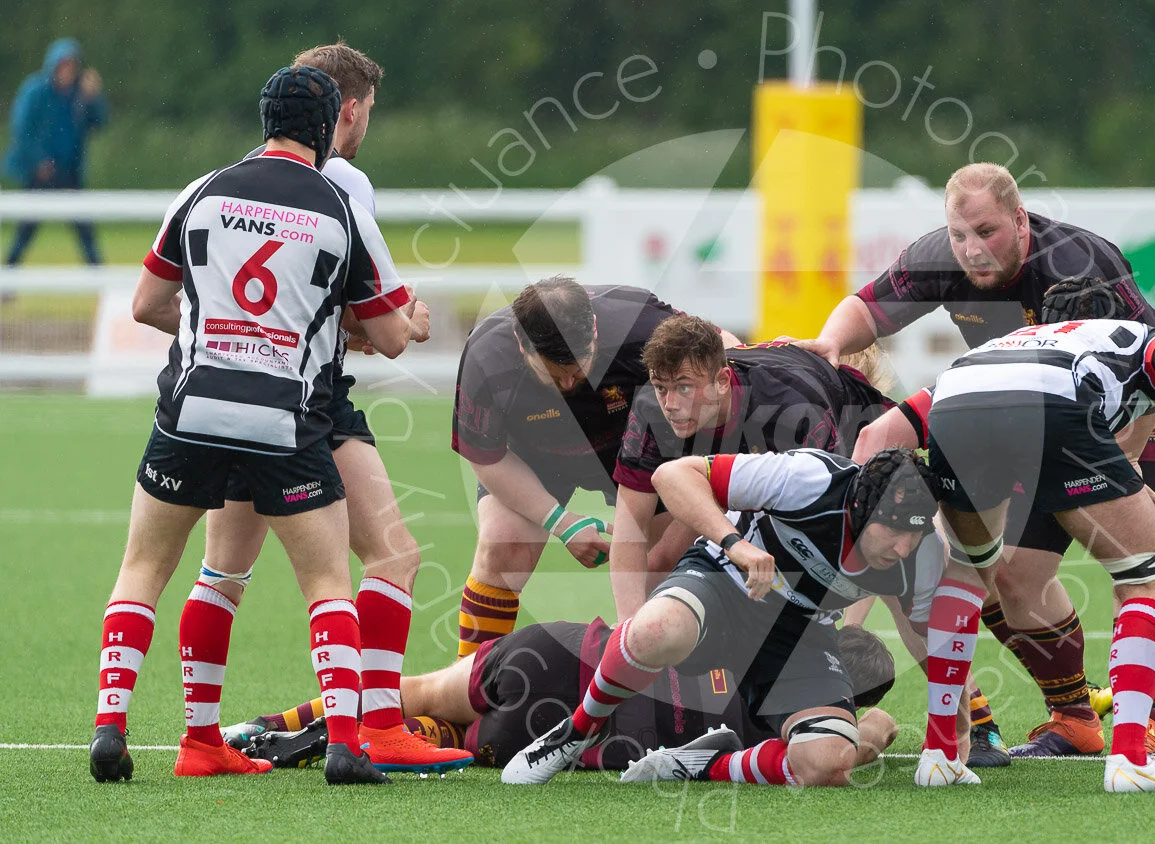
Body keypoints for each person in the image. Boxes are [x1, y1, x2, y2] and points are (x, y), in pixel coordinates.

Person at [88, 66, 417, 786]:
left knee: (145, 570)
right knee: (328, 582)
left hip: (192, 409)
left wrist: (220, 332)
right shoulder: (338, 204)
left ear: (263, 119)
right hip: (284, 418)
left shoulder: (203, 188)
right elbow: (390, 335)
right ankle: (345, 747)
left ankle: (113, 728)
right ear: (328, 126)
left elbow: (148, 303)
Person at [798, 162, 1155, 758]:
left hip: (1144, 415)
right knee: (1007, 577)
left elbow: (1152, 367)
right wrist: (828, 344)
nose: (971, 251)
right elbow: (868, 309)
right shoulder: (941, 257)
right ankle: (1075, 718)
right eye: (959, 236)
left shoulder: (1079, 264)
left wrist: (1128, 456)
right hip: (1037, 422)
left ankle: (1146, 726)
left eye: (986, 233)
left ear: (1020, 220)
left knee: (1141, 565)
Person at [178, 42, 468, 775]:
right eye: (368, 112)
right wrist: (409, 323)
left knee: (221, 573)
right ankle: (373, 729)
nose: (367, 125)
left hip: (221, 394)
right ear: (349, 108)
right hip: (311, 399)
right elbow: (370, 321)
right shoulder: (342, 186)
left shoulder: (236, 176)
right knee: (392, 558)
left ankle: (198, 737)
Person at [884, 309, 1155, 792]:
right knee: (1150, 575)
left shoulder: (1024, 336)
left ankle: (940, 755)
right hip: (1048, 401)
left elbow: (881, 433)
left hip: (954, 397)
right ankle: (1132, 760)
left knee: (968, 571)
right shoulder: (1139, 338)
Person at [502, 447, 991, 788]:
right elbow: (672, 475)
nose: (903, 546)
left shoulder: (920, 554)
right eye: (893, 529)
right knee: (654, 629)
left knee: (828, 763)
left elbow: (931, 645)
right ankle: (576, 733)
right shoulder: (810, 481)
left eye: (915, 532)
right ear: (863, 507)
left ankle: (703, 763)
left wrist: (954, 737)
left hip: (799, 631)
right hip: (724, 584)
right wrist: (734, 544)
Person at [227, 618, 901, 773]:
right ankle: (425, 740)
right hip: (585, 741)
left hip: (559, 653)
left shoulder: (755, 630)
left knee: (409, 691)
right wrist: (882, 724)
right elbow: (853, 748)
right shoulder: (803, 724)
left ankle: (269, 723)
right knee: (471, 744)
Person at [453, 278, 720, 656]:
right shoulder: (486, 356)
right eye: (550, 373)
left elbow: (719, 350)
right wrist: (562, 522)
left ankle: (663, 689)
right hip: (537, 456)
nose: (566, 383)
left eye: (578, 371)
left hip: (640, 449)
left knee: (670, 561)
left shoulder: (640, 325)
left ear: (594, 333)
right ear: (519, 343)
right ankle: (469, 686)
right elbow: (487, 457)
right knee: (502, 545)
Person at [609, 315, 892, 619]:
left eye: (684, 388)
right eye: (661, 387)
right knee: (661, 562)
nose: (670, 404)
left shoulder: (794, 409)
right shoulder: (653, 407)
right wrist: (628, 632)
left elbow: (836, 530)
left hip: (851, 422)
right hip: (744, 443)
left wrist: (838, 623)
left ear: (721, 381)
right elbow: (630, 529)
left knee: (876, 550)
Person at [4, 38, 108, 266]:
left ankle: (101, 280)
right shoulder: (36, 90)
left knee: (83, 227)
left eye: (72, 65)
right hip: (39, 171)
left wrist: (93, 97)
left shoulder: (79, 94)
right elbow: (21, 129)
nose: (68, 71)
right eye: (63, 65)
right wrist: (38, 160)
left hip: (68, 170)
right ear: (53, 65)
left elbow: (99, 123)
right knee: (26, 228)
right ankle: (7, 281)